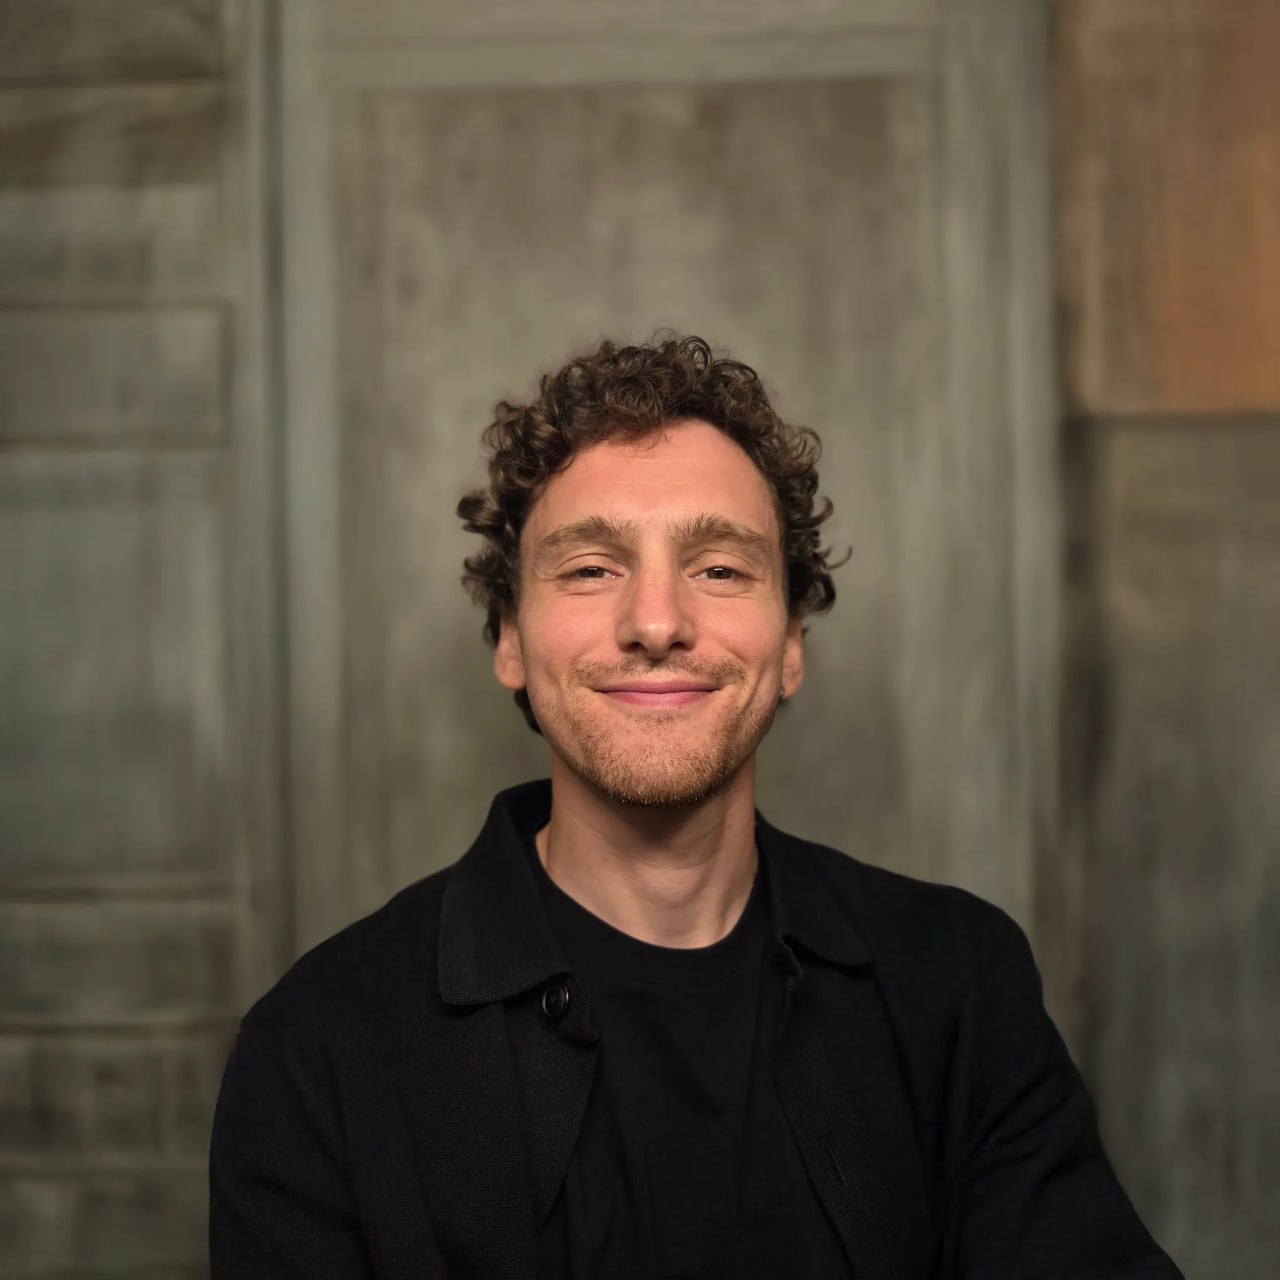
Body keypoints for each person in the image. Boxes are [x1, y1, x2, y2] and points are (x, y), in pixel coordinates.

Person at [209, 334, 1182, 1278]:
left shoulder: (959, 983)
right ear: (509, 638)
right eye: (591, 568)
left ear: (789, 643)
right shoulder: (319, 1048)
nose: (656, 622)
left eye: (718, 568)